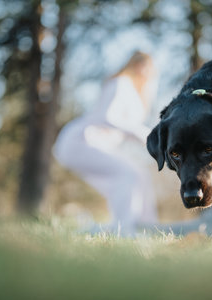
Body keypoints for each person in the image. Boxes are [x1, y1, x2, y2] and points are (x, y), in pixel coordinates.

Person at [53, 51, 158, 236]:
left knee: (139, 174)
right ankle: (124, 230)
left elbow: (125, 130)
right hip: (79, 140)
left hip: (94, 144)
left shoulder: (136, 93)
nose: (147, 73)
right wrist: (144, 135)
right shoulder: (121, 83)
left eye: (150, 70)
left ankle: (146, 226)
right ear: (134, 65)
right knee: (128, 173)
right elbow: (107, 117)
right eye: (144, 67)